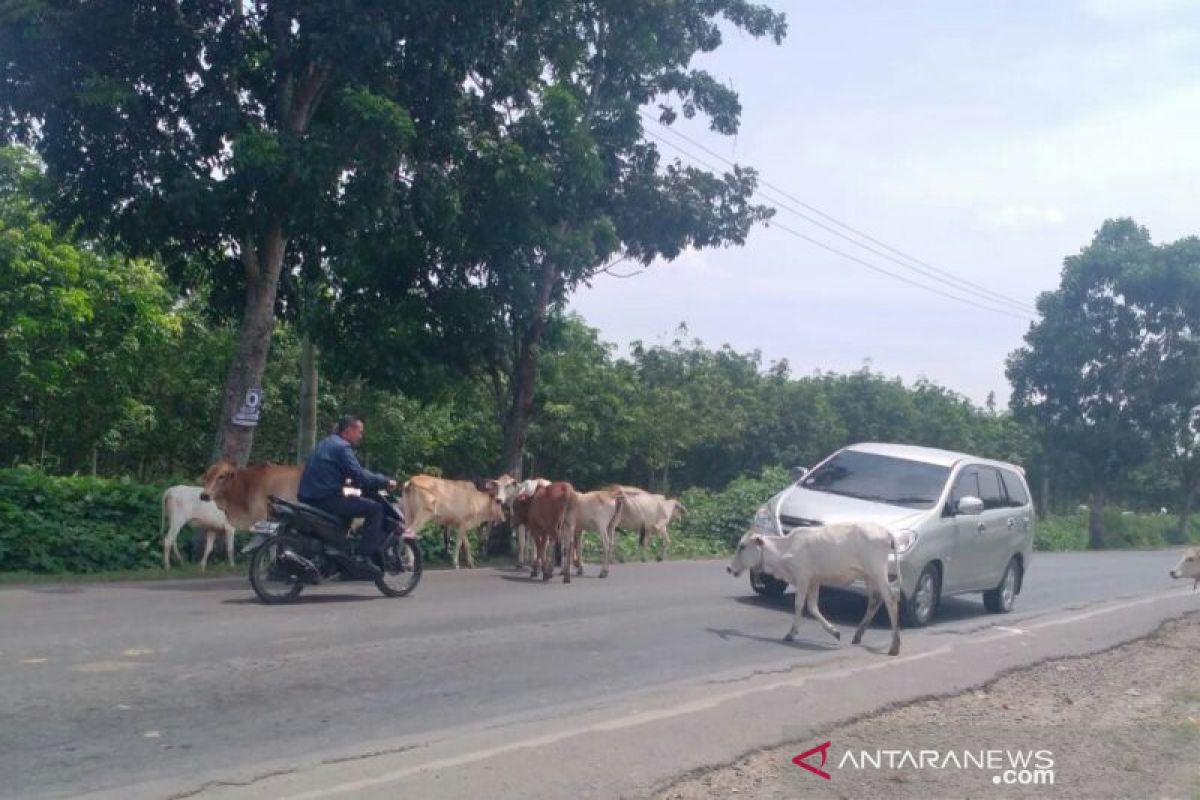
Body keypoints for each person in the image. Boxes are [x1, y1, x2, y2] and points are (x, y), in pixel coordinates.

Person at [298, 414, 397, 578]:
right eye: (359, 431)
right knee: (375, 509)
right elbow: (358, 474)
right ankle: (363, 557)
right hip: (326, 499)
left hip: (310, 496)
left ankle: (339, 559)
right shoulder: (342, 447)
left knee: (349, 506)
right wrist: (385, 481)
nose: (360, 436)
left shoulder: (326, 443)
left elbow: (339, 473)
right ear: (349, 430)